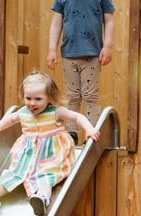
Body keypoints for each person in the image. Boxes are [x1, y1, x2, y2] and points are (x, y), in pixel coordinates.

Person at [0, 72, 100, 216]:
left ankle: (41, 198)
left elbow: (77, 117)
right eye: (28, 98)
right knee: (13, 174)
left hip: (52, 154)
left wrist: (89, 129)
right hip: (29, 154)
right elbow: (9, 120)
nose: (32, 103)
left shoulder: (56, 112)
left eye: (38, 99)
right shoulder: (23, 112)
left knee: (47, 176)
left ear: (50, 98)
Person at [46, 0, 115, 144]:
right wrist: (52, 49)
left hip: (92, 55)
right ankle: (72, 133)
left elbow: (109, 20)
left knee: (90, 95)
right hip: (69, 55)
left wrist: (107, 46)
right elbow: (56, 24)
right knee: (72, 96)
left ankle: (92, 132)